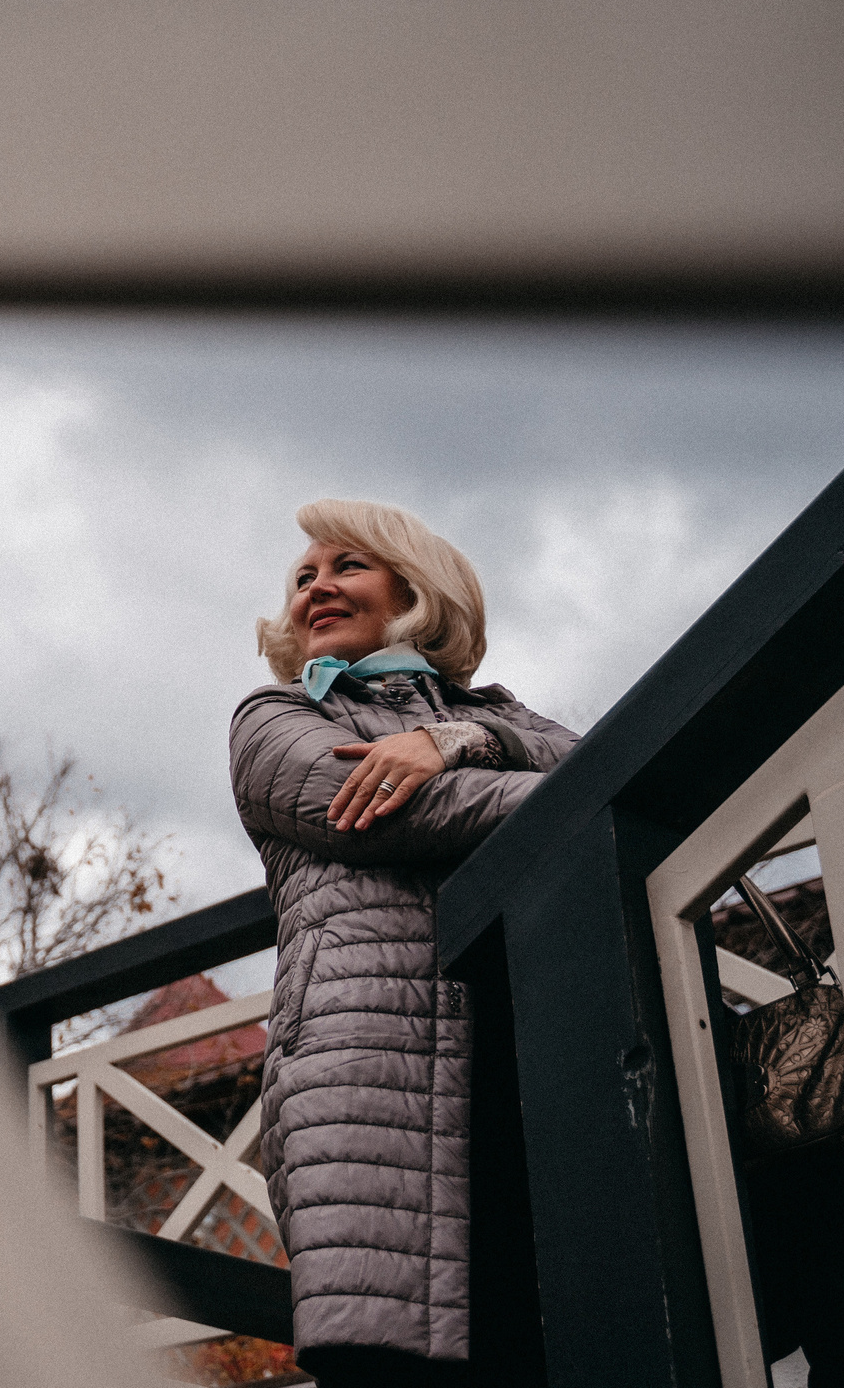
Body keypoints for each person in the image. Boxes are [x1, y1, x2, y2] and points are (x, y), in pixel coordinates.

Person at [228, 499, 578, 1386]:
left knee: (543, 1339)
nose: (316, 588)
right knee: (391, 1357)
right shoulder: (273, 719)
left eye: (345, 566)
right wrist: (549, 792)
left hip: (524, 1060)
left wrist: (450, 736)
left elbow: (596, 754)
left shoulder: (500, 714)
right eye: (303, 577)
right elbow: (388, 811)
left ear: (414, 587)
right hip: (372, 1081)